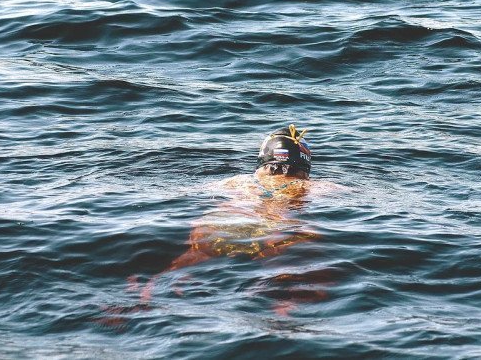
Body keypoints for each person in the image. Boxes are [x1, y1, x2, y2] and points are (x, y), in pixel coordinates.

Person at [97, 124, 341, 326]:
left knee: (186, 261)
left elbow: (189, 193)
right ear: (305, 163)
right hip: (277, 229)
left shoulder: (235, 182)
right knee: (308, 275)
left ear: (262, 159)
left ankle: (143, 296)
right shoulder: (315, 186)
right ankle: (283, 316)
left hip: (226, 224)